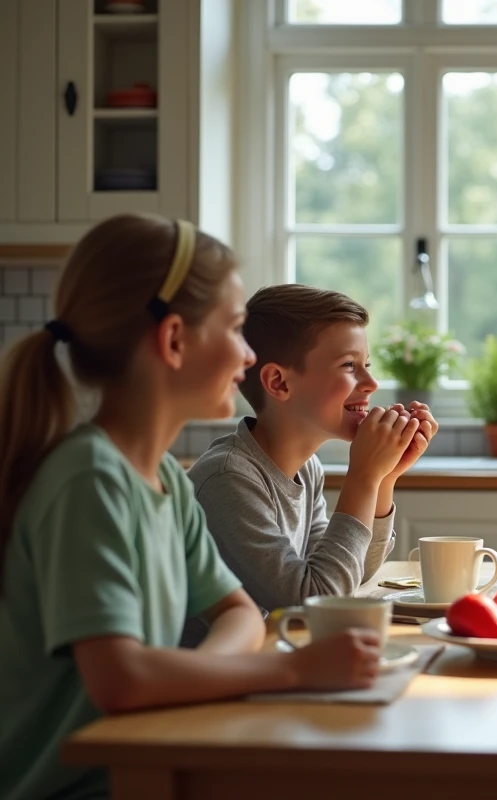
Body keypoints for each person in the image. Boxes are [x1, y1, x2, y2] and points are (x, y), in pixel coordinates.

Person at [0, 215, 382, 800]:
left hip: (154, 757)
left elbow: (243, 616)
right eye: (235, 329)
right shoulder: (89, 482)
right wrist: (295, 671)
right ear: (175, 339)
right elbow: (122, 680)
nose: (248, 357)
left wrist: (206, 681)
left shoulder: (166, 484)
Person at [187, 284, 437, 623]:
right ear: (279, 383)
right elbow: (316, 600)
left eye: (367, 364)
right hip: (215, 671)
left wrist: (383, 479)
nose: (371, 382)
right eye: (349, 365)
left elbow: (349, 573)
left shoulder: (307, 468)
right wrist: (363, 478)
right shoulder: (228, 478)